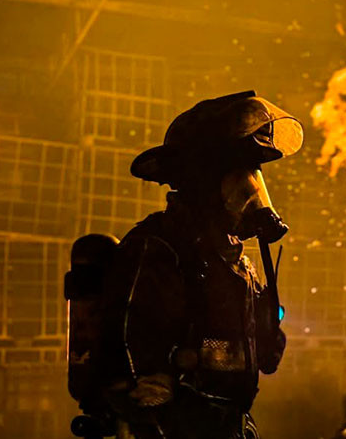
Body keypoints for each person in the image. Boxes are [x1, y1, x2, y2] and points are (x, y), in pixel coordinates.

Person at [99, 90, 301, 438]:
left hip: (226, 423)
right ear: (203, 182)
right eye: (238, 181)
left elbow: (238, 353)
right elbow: (134, 360)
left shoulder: (237, 264)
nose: (251, 193)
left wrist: (265, 337)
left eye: (253, 180)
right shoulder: (158, 248)